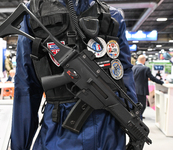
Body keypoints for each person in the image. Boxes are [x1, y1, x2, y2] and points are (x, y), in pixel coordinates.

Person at [10, 0, 138, 150]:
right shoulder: (33, 13)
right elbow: (26, 87)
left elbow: (123, 74)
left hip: (108, 127)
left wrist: (134, 120)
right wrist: (19, 145)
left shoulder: (111, 16)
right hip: (59, 130)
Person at [132, 55, 164, 119]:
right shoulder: (146, 68)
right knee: (142, 106)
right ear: (144, 60)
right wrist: (162, 82)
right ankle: (138, 118)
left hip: (133, 90)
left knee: (135, 105)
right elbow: (152, 78)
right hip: (141, 91)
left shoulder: (133, 68)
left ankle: (136, 117)